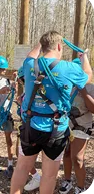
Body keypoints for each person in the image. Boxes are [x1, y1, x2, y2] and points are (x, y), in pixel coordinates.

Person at [10, 30, 92, 194]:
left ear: (43, 46)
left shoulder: (29, 64)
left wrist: (41, 43)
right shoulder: (68, 68)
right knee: (49, 176)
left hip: (30, 127)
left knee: (21, 169)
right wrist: (84, 57)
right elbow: (88, 76)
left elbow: (31, 54)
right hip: (56, 132)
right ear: (60, 46)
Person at [59, 58, 94, 194]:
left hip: (81, 126)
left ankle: (81, 187)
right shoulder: (66, 85)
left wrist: (83, 91)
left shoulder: (90, 87)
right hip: (66, 124)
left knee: (78, 159)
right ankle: (67, 181)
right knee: (67, 154)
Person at [15, 67, 41, 191]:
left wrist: (21, 104)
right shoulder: (28, 91)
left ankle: (37, 178)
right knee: (20, 153)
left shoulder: (31, 92)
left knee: (24, 155)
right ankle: (36, 177)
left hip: (31, 128)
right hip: (28, 126)